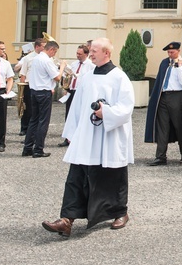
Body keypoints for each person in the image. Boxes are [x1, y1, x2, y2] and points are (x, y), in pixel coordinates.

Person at [42, 38, 134, 238]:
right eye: (90, 50)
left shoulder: (119, 77)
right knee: (76, 176)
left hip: (109, 136)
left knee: (113, 175)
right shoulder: (88, 76)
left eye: (94, 51)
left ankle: (120, 212)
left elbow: (126, 108)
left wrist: (106, 113)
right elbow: (77, 106)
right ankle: (66, 220)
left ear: (106, 53)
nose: (90, 53)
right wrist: (73, 134)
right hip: (87, 135)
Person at [144, 42, 182, 166]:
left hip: (177, 97)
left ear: (178, 51)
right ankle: (161, 156)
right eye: (168, 52)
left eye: (172, 52)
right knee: (162, 127)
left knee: (179, 127)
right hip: (163, 97)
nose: (170, 54)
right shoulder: (164, 63)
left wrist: (179, 66)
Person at [23, 41, 66, 158]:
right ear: (51, 49)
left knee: (34, 120)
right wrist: (62, 67)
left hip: (34, 91)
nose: (54, 54)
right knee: (43, 121)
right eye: (55, 51)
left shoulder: (36, 58)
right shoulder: (46, 60)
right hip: (44, 92)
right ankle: (38, 149)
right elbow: (57, 77)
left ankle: (27, 147)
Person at [59, 43, 94, 147]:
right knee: (69, 114)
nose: (78, 55)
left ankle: (79, 138)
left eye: (80, 54)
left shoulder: (91, 66)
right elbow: (69, 76)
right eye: (77, 53)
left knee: (80, 115)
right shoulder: (74, 64)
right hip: (72, 91)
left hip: (82, 92)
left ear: (86, 54)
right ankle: (68, 137)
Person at [15, 38, 45, 136]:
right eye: (43, 46)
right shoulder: (28, 58)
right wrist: (22, 88)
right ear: (37, 47)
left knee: (38, 109)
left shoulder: (46, 58)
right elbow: (23, 73)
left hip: (40, 85)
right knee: (26, 107)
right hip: (28, 85)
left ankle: (36, 129)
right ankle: (24, 128)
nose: (45, 48)